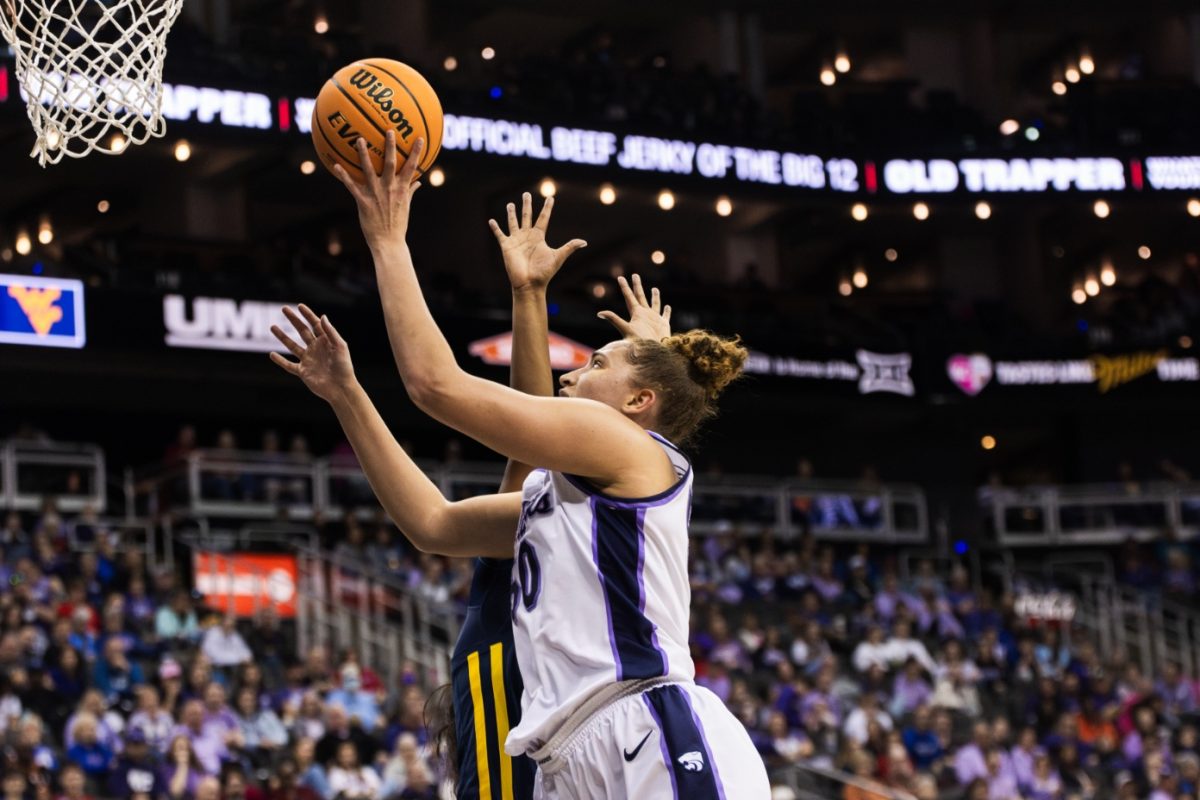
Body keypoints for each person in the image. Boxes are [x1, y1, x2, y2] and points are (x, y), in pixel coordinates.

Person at [271, 134, 767, 797]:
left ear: (638, 402)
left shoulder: (622, 442)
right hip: (568, 754)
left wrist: (389, 243)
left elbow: (434, 386)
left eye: (596, 363)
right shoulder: (561, 503)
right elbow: (433, 524)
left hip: (643, 726)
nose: (573, 373)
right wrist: (347, 396)